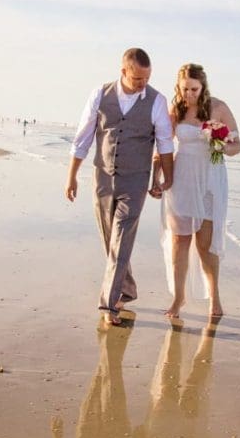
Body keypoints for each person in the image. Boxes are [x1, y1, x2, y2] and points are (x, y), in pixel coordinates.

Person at [65, 47, 174, 325]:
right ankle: (127, 288)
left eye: (147, 78)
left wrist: (163, 180)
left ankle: (109, 304)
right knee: (108, 238)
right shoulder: (100, 95)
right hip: (102, 177)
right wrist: (72, 176)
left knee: (122, 237)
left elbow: (164, 143)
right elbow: (84, 137)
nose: (143, 84)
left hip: (135, 181)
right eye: (138, 78)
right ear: (123, 71)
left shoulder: (157, 101)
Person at [153, 63, 240, 320]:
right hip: (181, 178)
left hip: (210, 179)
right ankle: (178, 298)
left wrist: (222, 145)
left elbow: (237, 146)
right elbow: (164, 146)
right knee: (179, 241)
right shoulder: (176, 109)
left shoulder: (219, 107)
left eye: (194, 89)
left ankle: (214, 298)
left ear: (203, 87)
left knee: (205, 244)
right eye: (184, 89)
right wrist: (157, 177)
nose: (189, 94)